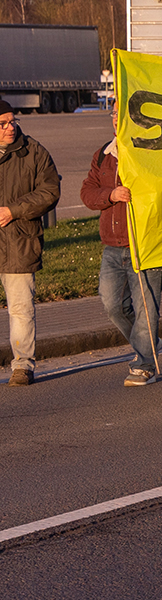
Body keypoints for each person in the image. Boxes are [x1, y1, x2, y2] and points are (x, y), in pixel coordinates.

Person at [81, 135, 162, 386]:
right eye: (114, 113)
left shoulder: (153, 150)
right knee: (112, 304)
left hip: (146, 244)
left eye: (121, 112)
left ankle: (144, 365)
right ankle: (149, 344)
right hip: (113, 245)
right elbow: (87, 193)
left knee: (145, 308)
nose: (117, 118)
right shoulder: (103, 154)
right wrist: (111, 194)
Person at [0, 99, 59, 387]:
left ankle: (22, 365)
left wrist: (14, 211)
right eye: (3, 124)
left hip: (19, 242)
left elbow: (50, 191)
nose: (10, 128)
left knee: (21, 309)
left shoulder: (33, 152)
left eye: (13, 121)